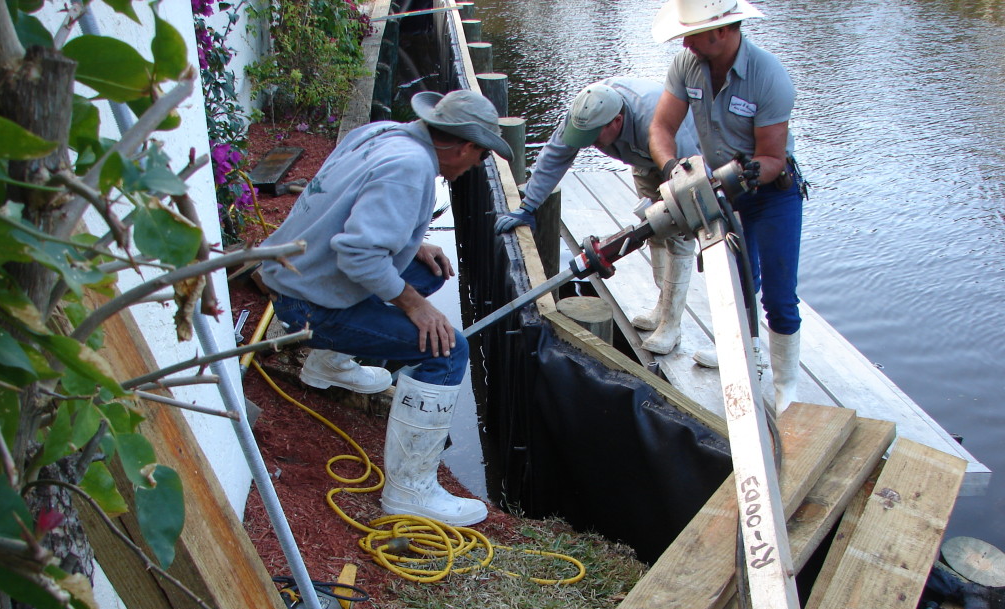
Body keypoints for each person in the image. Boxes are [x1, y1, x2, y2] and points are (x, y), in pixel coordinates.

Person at [256, 90, 514, 526]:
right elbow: (357, 256)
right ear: (466, 146)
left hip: (292, 277)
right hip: (311, 306)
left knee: (430, 272)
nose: (475, 166)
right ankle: (410, 491)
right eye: (480, 156)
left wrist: (412, 244)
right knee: (447, 350)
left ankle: (327, 365)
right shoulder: (410, 168)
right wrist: (414, 306)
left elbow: (350, 208)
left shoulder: (381, 132)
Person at [648, 0, 808, 413]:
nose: (684, 41)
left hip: (772, 193)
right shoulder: (687, 65)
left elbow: (772, 159)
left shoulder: (768, 77)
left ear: (720, 31)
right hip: (720, 191)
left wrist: (745, 172)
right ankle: (738, 355)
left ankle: (786, 387)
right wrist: (673, 170)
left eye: (692, 32)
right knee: (735, 284)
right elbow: (661, 127)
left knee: (778, 293)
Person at [496, 77, 701, 355]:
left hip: (680, 158)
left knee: (676, 235)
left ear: (616, 121)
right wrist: (528, 206)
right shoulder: (584, 113)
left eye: (594, 136)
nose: (589, 143)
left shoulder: (654, 116)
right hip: (643, 159)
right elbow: (556, 155)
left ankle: (671, 325)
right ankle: (661, 308)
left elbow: (692, 172)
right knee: (655, 231)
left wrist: (684, 204)